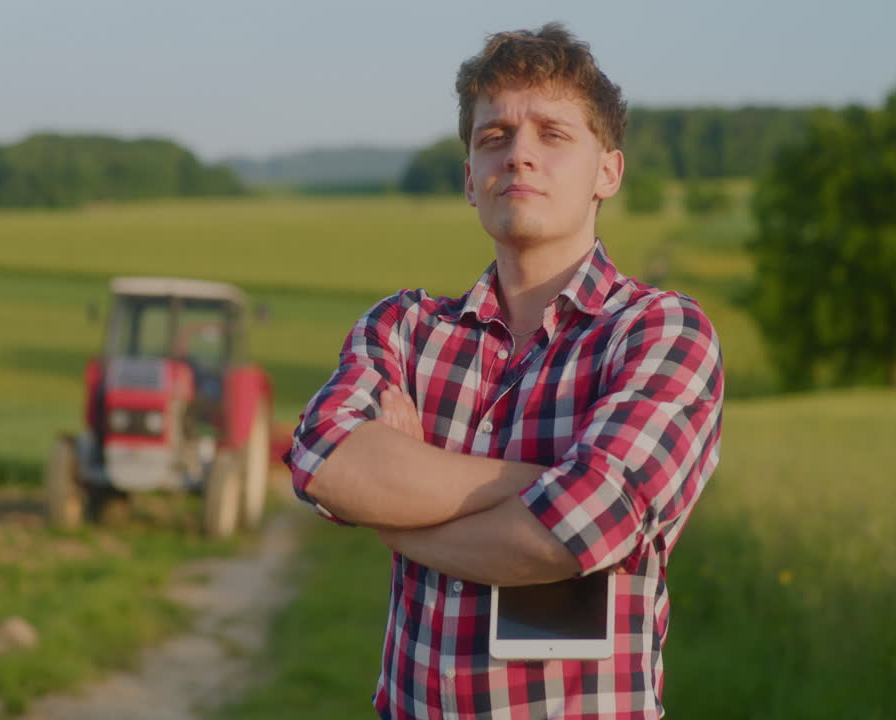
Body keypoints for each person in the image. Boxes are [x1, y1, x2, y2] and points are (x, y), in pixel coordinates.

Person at [285, 23, 723, 720]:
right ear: (468, 179)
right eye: (494, 137)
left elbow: (581, 527)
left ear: (607, 170)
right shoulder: (404, 329)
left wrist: (400, 515)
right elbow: (321, 460)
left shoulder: (658, 332)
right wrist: (547, 483)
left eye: (552, 134)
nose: (519, 155)